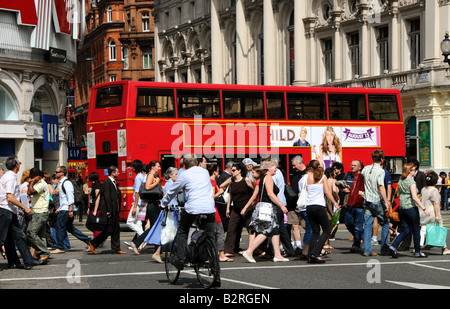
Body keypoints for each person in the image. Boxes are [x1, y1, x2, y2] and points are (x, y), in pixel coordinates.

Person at [160, 154, 217, 276]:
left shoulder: (184, 175)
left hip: (193, 208)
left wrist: (163, 203)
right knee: (210, 236)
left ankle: (181, 259)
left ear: (184, 165)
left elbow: (172, 191)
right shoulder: (205, 172)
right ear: (197, 162)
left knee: (182, 230)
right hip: (208, 208)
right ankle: (214, 268)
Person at [242, 159, 289, 263]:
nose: (276, 169)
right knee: (266, 231)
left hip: (263, 206)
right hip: (267, 206)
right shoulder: (268, 178)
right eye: (274, 167)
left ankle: (277, 255)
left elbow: (256, 194)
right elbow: (270, 194)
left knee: (275, 229)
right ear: (268, 169)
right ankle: (249, 251)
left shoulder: (263, 178)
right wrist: (281, 205)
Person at [0, 156, 42, 269]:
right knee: (4, 238)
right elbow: (10, 197)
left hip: (9, 211)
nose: (20, 164)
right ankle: (26, 260)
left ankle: (20, 261)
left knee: (15, 237)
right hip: (5, 211)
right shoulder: (11, 177)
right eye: (19, 163)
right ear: (16, 165)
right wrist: (25, 207)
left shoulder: (9, 176)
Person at [389, 163, 430, 258]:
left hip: (402, 208)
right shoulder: (411, 183)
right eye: (414, 170)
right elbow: (415, 197)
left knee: (406, 230)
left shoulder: (401, 180)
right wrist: (424, 209)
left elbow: (399, 193)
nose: (415, 171)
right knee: (416, 230)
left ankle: (394, 246)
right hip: (411, 208)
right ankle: (418, 252)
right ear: (409, 171)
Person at [51, 166, 92, 254]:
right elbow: (63, 198)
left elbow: (70, 197)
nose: (55, 173)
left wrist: (70, 210)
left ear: (62, 173)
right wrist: (60, 208)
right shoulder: (61, 183)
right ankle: (89, 241)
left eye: (56, 172)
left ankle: (60, 246)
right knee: (70, 228)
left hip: (67, 210)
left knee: (59, 227)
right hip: (64, 208)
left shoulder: (66, 183)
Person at [304, 160, 339, 264]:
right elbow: (327, 192)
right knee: (327, 230)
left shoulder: (308, 177)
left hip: (309, 206)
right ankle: (316, 253)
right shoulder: (323, 177)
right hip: (319, 206)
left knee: (315, 231)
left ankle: (310, 255)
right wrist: (335, 203)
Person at [88, 166, 126, 254]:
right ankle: (93, 243)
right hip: (110, 211)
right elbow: (108, 198)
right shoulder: (107, 182)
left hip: (114, 210)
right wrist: (109, 211)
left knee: (115, 229)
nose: (119, 173)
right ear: (112, 173)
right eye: (117, 172)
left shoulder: (112, 182)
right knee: (108, 230)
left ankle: (116, 248)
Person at [360, 150, 390, 257]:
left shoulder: (365, 169)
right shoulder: (381, 171)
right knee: (385, 223)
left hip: (367, 200)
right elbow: (381, 186)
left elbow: (361, 178)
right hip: (376, 200)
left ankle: (367, 250)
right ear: (382, 159)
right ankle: (385, 248)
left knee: (368, 225)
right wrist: (386, 201)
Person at [130, 160, 163, 254]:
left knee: (155, 227)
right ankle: (137, 242)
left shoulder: (152, 175)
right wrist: (157, 182)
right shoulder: (151, 175)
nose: (159, 168)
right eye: (158, 166)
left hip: (152, 204)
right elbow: (148, 187)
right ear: (153, 167)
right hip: (151, 204)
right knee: (155, 227)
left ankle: (157, 248)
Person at [223, 162, 254, 256]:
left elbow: (255, 191)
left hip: (246, 207)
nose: (232, 172)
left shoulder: (246, 180)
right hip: (236, 208)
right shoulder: (232, 181)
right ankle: (228, 251)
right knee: (231, 229)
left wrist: (252, 204)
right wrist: (228, 208)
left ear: (239, 170)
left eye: (234, 170)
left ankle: (256, 249)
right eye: (231, 170)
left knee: (251, 228)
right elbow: (230, 195)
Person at [419, 171, 450, 254]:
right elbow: (435, 204)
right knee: (439, 229)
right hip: (432, 212)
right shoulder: (434, 190)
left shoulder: (423, 189)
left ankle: (420, 245)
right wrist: (437, 215)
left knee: (424, 229)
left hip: (424, 211)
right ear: (435, 181)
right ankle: (444, 248)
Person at [26, 167, 50, 264]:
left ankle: (44, 251)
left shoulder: (40, 184)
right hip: (40, 211)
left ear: (35, 176)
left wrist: (32, 182)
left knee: (30, 232)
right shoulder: (39, 183)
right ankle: (43, 256)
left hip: (40, 212)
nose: (30, 179)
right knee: (41, 235)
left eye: (31, 177)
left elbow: (31, 192)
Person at [207, 164, 230, 262]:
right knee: (220, 232)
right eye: (218, 171)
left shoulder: (207, 181)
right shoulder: (212, 182)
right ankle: (221, 254)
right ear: (214, 172)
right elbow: (212, 196)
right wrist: (219, 192)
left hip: (207, 209)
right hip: (213, 210)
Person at [343, 160, 365, 253]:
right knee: (348, 223)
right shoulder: (347, 175)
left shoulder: (363, 176)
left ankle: (356, 244)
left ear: (359, 167)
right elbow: (343, 186)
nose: (352, 167)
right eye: (351, 165)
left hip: (359, 204)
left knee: (358, 226)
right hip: (349, 203)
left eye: (354, 165)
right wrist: (343, 189)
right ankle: (362, 236)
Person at [288, 155, 306, 254]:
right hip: (293, 203)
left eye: (294, 165)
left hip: (303, 203)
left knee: (305, 225)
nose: (293, 167)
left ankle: (310, 244)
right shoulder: (294, 175)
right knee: (294, 225)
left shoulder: (307, 173)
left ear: (300, 163)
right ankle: (299, 246)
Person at [126, 160, 145, 240]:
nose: (131, 168)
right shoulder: (142, 176)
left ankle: (144, 237)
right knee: (138, 223)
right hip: (142, 203)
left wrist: (134, 206)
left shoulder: (138, 178)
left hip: (138, 204)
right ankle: (138, 244)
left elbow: (137, 192)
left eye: (132, 166)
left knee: (129, 222)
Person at [87, 172, 102, 239]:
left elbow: (97, 198)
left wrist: (95, 210)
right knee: (90, 224)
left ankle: (96, 240)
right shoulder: (93, 186)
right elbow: (91, 199)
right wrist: (89, 208)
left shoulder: (97, 186)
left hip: (96, 208)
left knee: (95, 225)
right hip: (92, 207)